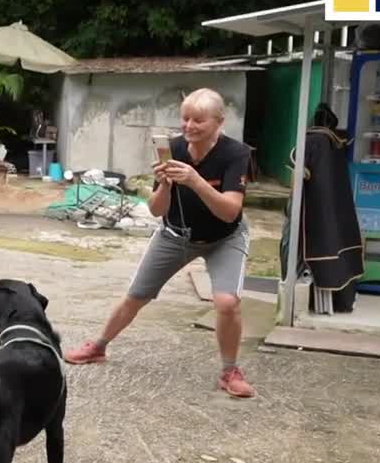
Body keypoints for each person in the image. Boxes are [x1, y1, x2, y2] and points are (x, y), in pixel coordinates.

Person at [64, 88, 257, 399]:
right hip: (175, 233)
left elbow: (230, 211)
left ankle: (229, 371)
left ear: (220, 121)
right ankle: (98, 347)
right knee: (135, 296)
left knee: (226, 302)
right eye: (185, 119)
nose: (189, 126)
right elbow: (156, 210)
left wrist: (196, 181)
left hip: (224, 237)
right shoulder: (173, 148)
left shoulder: (237, 154)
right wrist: (165, 184)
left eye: (199, 120)